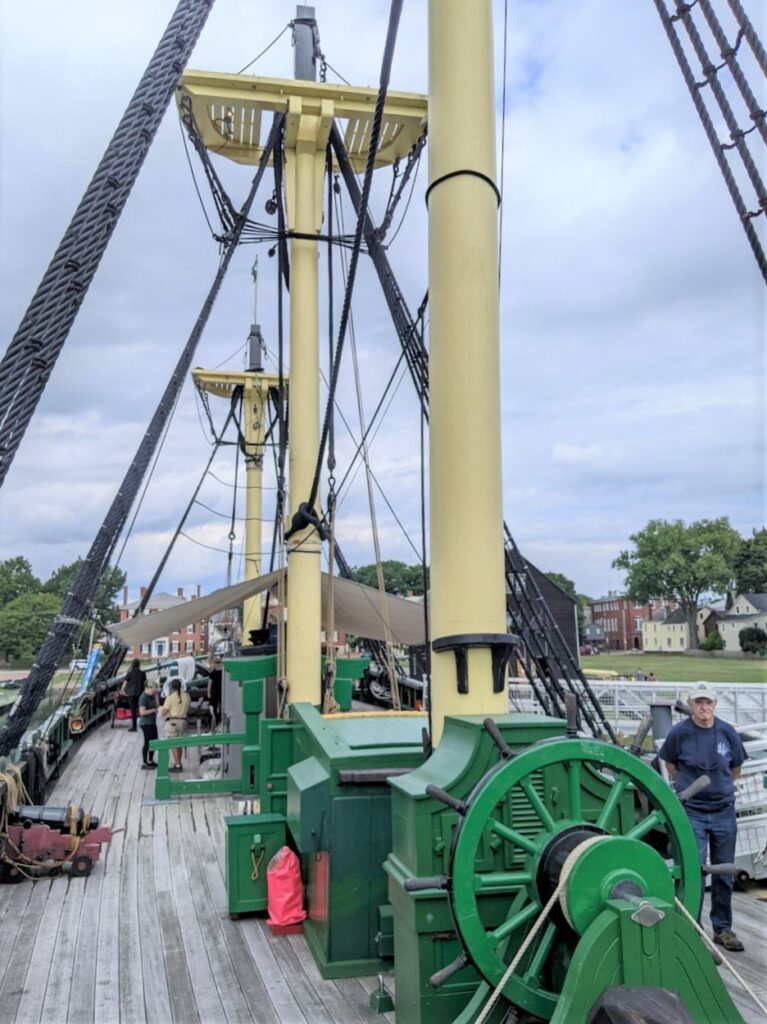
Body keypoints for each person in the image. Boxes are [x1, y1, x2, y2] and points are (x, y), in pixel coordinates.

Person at [659, 681, 747, 952]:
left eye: (708, 702)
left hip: (723, 812)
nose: (703, 707)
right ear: (691, 704)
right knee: (693, 871)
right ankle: (692, 929)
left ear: (714, 705)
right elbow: (671, 764)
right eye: (698, 702)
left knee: (723, 871)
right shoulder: (679, 734)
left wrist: (719, 790)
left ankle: (723, 928)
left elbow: (735, 768)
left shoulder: (727, 733)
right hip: (692, 813)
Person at [161, 678, 191, 772]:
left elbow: (163, 712)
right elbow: (188, 707)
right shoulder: (186, 696)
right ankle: (179, 763)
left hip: (173, 722)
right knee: (180, 743)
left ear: (172, 688)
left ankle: (177, 765)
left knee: (173, 744)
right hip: (183, 721)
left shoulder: (170, 698)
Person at [120, 657, 146, 732]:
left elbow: (125, 683)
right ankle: (144, 724)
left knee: (133, 711)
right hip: (140, 694)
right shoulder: (143, 673)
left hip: (131, 694)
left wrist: (122, 691)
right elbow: (144, 683)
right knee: (142, 709)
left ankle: (134, 727)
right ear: (139, 665)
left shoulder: (129, 673)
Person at [138, 680, 159, 770]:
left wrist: (156, 696)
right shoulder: (143, 698)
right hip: (146, 723)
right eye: (153, 690)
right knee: (147, 742)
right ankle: (144, 762)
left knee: (154, 742)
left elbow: (157, 706)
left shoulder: (152, 696)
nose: (154, 691)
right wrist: (152, 711)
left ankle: (150, 760)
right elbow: (142, 712)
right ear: (148, 688)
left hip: (152, 722)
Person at [207, 655, 223, 728]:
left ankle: (221, 718)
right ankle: (216, 719)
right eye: (216, 662)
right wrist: (208, 692)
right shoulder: (212, 673)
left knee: (222, 705)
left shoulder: (223, 673)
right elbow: (209, 684)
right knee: (214, 706)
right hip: (214, 691)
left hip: (222, 691)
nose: (218, 664)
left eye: (219, 662)